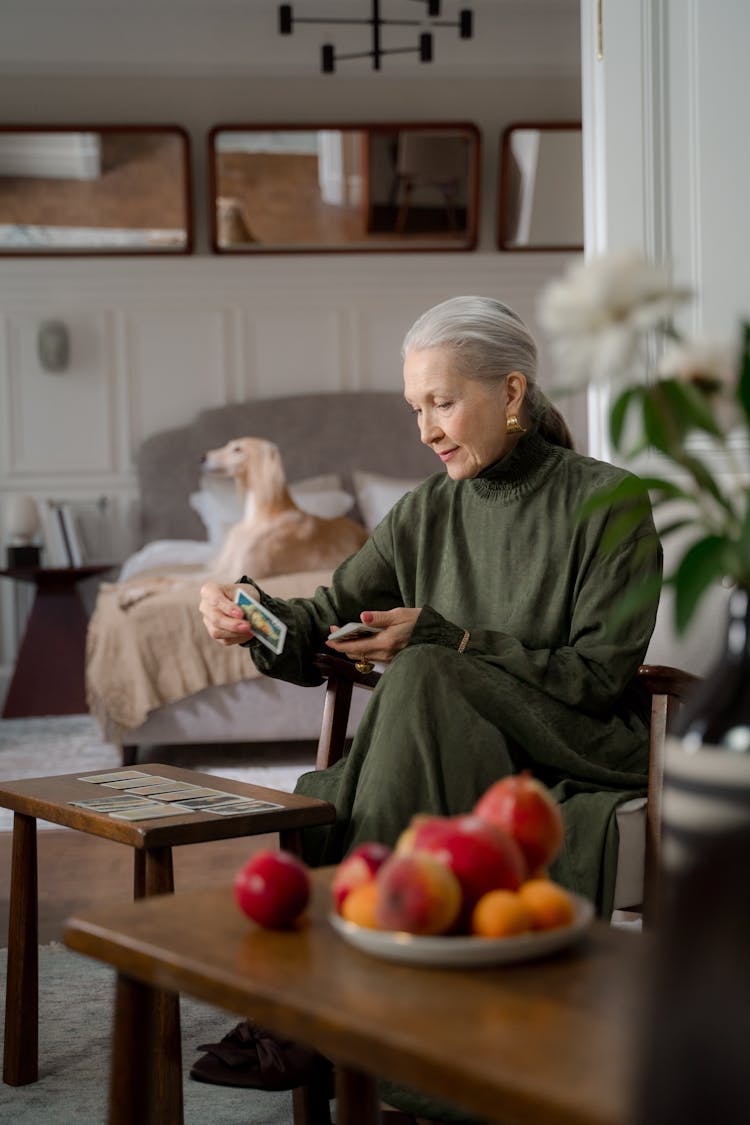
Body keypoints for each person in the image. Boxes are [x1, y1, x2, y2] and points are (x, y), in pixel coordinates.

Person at [194, 295, 662, 1119]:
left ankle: (331, 1013)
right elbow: (326, 620)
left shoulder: (610, 503)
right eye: (416, 407)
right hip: (444, 733)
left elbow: (598, 676)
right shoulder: (425, 511)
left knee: (417, 676)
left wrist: (449, 642)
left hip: (578, 739)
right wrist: (251, 611)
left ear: (512, 393)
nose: (426, 429)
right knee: (417, 681)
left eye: (442, 402)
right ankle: (359, 1020)